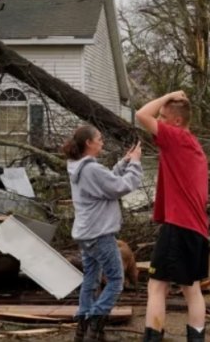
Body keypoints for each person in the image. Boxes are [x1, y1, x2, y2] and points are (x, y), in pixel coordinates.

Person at [136, 91, 209, 342]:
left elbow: (141, 114)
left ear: (176, 121)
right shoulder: (192, 144)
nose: (160, 120)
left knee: (156, 286)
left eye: (164, 117)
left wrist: (168, 95)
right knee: (192, 289)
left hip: (179, 225)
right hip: (197, 227)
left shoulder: (175, 138)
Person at [64, 125, 143, 342]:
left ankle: (83, 330)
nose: (102, 141)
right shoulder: (91, 169)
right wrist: (135, 163)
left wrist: (123, 163)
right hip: (100, 234)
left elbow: (106, 182)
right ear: (89, 143)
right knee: (116, 281)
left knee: (90, 279)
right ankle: (94, 322)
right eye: (99, 138)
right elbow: (120, 186)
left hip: (86, 233)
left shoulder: (79, 166)